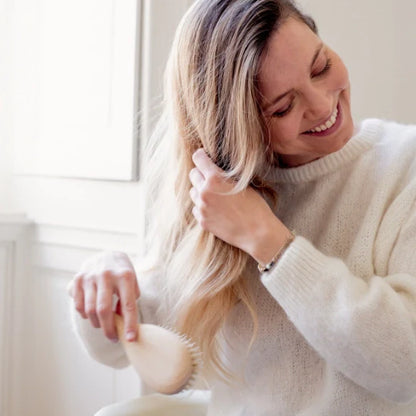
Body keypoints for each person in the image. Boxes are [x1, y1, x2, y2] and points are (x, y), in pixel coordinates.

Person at [68, 0, 416, 414]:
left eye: (321, 66)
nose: (323, 106)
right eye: (283, 107)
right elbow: (123, 341)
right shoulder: (224, 198)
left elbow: (405, 365)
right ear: (239, 126)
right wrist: (102, 280)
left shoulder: (403, 166)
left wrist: (270, 244)